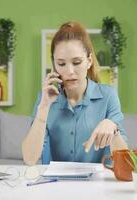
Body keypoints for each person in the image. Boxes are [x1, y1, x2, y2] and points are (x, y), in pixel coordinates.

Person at [22, 21, 128, 165]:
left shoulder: (108, 96)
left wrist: (113, 128)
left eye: (77, 62)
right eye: (61, 64)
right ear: (54, 64)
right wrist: (43, 108)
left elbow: (124, 162)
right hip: (53, 185)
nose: (70, 71)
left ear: (89, 61)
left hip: (96, 185)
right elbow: (29, 159)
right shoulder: (45, 99)